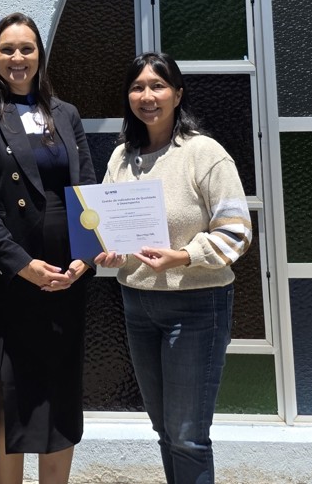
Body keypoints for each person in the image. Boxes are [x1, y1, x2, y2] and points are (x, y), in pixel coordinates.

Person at [94, 52, 252, 484]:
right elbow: (108, 228)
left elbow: (237, 231)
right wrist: (111, 252)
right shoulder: (121, 157)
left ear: (178, 94)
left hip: (197, 306)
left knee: (187, 436)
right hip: (137, 305)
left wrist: (182, 256)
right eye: (137, 87)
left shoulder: (204, 153)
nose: (147, 96)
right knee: (164, 430)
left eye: (158, 86)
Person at [0, 13, 96, 484]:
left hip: (66, 274)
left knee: (60, 388)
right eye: (7, 49)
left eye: (27, 48)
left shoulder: (65, 114)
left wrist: (85, 258)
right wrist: (20, 264)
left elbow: (86, 190)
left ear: (41, 55)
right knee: (7, 390)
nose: (18, 58)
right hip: (8, 276)